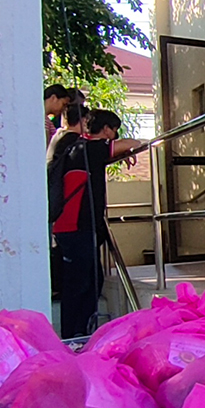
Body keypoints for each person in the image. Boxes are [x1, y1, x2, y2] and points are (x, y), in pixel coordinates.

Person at [49, 108, 141, 337]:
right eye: (114, 131)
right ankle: (75, 334)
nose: (115, 135)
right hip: (76, 227)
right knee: (80, 284)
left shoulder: (79, 148)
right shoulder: (88, 148)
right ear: (107, 129)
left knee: (90, 279)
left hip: (73, 227)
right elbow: (134, 141)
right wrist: (127, 147)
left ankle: (81, 331)